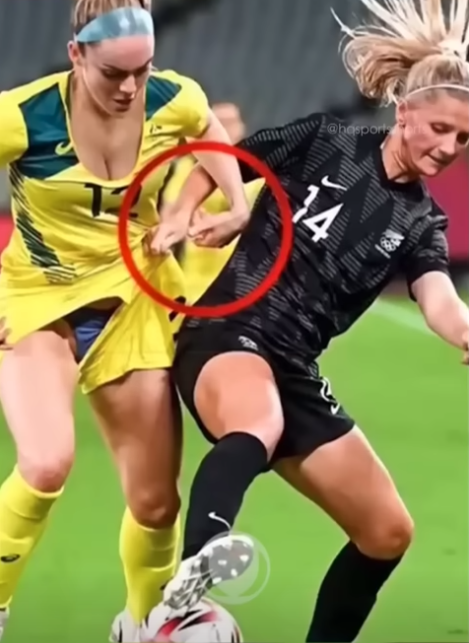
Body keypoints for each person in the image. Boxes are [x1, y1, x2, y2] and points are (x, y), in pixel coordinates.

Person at [147, 0, 469, 640]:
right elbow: (226, 160)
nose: (448, 147)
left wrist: (464, 331)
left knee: (386, 531)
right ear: (404, 111)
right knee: (258, 422)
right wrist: (182, 212)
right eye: (439, 128)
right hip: (228, 330)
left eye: (463, 140)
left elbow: (438, 299)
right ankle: (188, 585)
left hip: (292, 365)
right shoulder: (326, 140)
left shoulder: (422, 222)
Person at [0, 1, 249, 641]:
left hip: (133, 308)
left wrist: (232, 204)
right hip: (38, 303)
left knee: (156, 502)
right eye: (114, 73)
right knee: (46, 463)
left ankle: (146, 623)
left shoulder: (173, 99)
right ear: (76, 54)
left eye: (142, 70)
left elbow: (210, 135)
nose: (130, 88)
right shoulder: (22, 116)